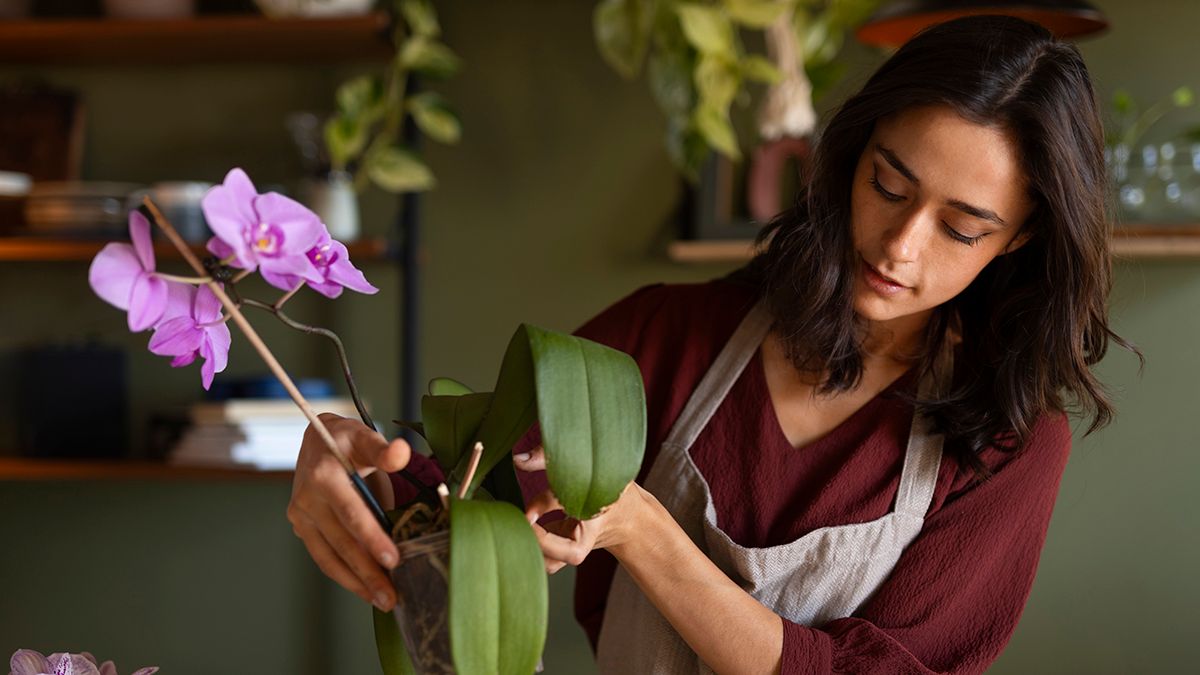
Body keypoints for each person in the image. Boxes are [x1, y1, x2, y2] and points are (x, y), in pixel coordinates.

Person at [286, 14, 1137, 674]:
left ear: (1020, 239)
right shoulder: (668, 336)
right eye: (889, 184)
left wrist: (643, 531)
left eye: (961, 228)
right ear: (849, 158)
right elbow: (464, 490)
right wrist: (343, 459)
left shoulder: (1006, 443)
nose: (900, 245)